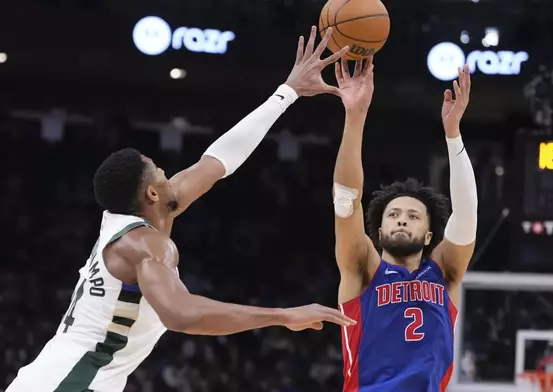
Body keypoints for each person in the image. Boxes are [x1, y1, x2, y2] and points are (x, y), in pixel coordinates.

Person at [5, 26, 355, 392]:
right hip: (70, 383)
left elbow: (218, 161)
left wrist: (288, 92)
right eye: (159, 171)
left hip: (60, 376)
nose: (169, 174)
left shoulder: (144, 214)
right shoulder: (144, 245)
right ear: (152, 195)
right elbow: (181, 315)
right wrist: (284, 315)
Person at [331, 57, 478, 392]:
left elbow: (467, 215)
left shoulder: (444, 272)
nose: (401, 219)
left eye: (413, 216)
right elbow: (345, 200)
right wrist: (354, 117)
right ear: (379, 231)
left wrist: (453, 135)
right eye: (393, 214)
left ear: (428, 234)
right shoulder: (363, 270)